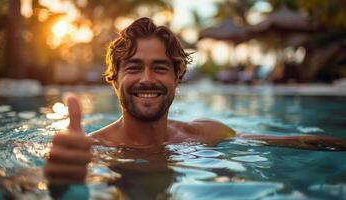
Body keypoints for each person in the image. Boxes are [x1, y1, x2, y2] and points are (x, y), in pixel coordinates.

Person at [44, 17, 346, 185]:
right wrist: (63, 188)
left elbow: (292, 140)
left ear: (177, 78)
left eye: (160, 67)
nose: (147, 78)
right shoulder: (90, 151)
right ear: (114, 80)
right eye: (134, 67)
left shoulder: (205, 134)